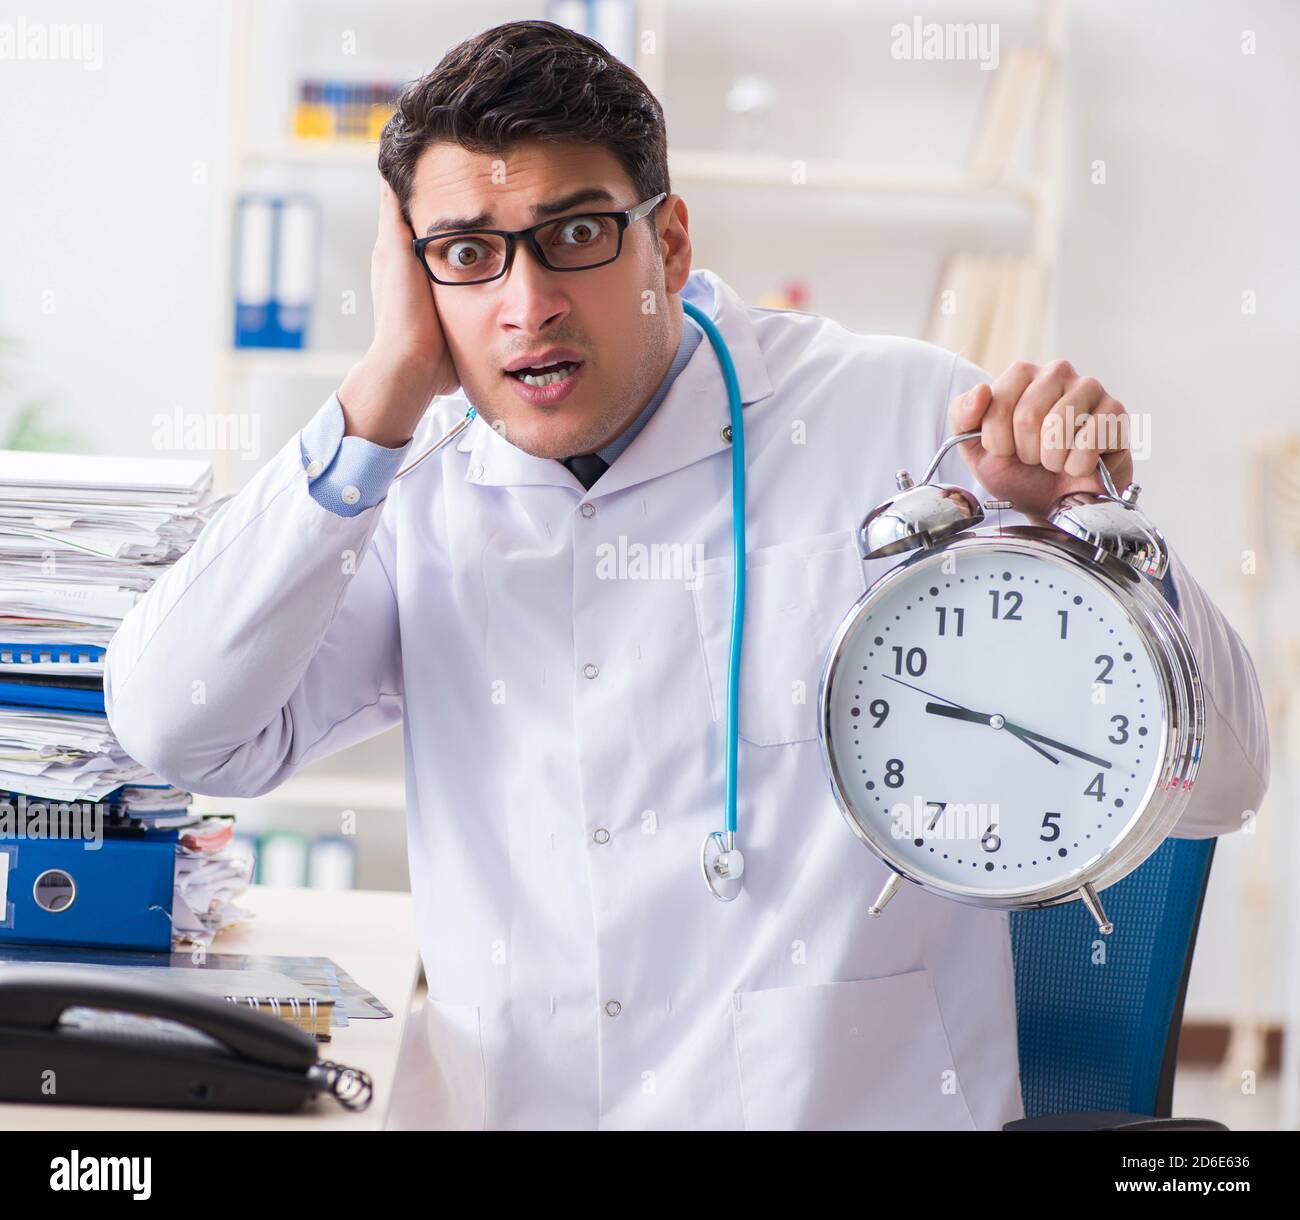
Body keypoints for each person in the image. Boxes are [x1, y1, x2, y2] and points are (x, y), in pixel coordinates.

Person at [104, 19, 1269, 1130]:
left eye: (574, 234)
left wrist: (1083, 530)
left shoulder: (913, 421)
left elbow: (1221, 780)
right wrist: (380, 389)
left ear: (667, 241)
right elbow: (178, 728)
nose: (527, 303)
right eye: (467, 255)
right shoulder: (407, 487)